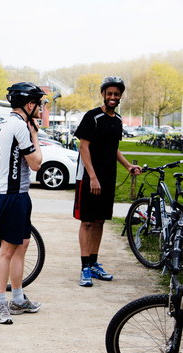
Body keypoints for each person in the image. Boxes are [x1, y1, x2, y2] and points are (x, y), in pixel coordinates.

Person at [73, 76, 141, 287]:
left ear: (120, 96)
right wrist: (92, 176)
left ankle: (94, 263)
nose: (113, 97)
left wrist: (128, 166)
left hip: (107, 178)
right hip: (88, 177)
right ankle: (84, 267)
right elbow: (84, 147)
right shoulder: (92, 117)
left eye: (116, 94)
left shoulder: (117, 120)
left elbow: (114, 149)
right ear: (103, 94)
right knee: (87, 221)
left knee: (100, 221)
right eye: (109, 93)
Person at [0, 82, 44, 324]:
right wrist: (35, 133)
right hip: (10, 195)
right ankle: (0, 303)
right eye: (39, 104)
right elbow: (36, 163)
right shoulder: (20, 127)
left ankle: (18, 298)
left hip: (18, 194)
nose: (41, 109)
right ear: (29, 105)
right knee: (7, 250)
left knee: (22, 245)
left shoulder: (4, 124)